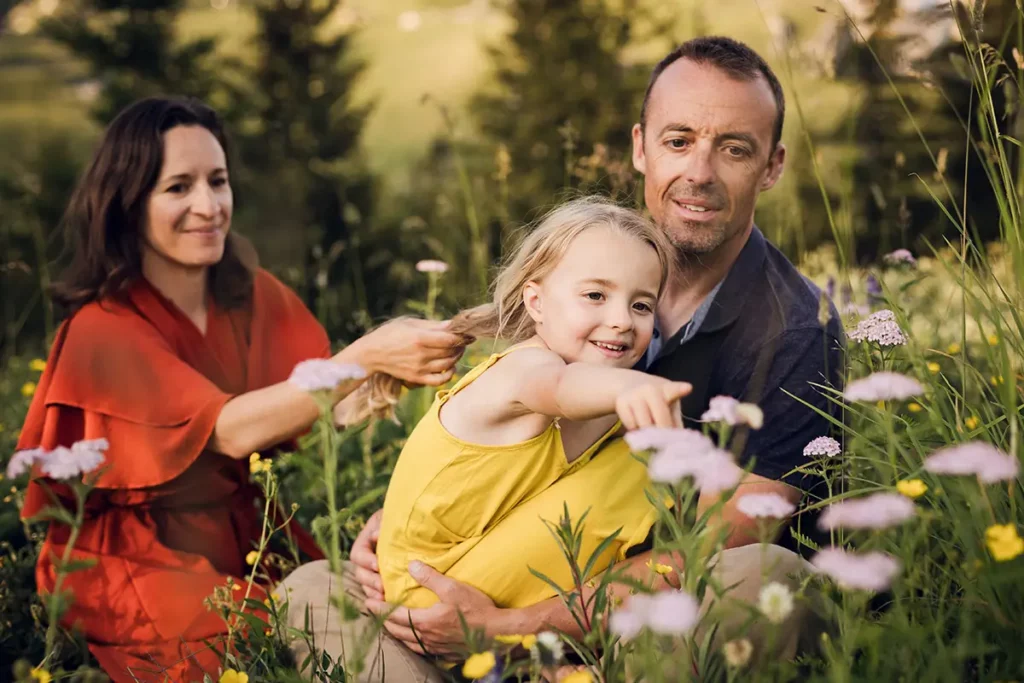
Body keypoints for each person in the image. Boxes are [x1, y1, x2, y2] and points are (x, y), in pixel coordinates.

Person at [277, 35, 844, 681]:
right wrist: (414, 529)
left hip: (636, 616)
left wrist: (513, 627)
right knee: (314, 586)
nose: (700, 172)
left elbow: (729, 539)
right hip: (502, 572)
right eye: (678, 140)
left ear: (772, 166)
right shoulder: (590, 262)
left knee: (768, 579)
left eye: (734, 148)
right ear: (641, 146)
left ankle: (515, 662)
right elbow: (504, 441)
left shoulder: (798, 331)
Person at [13, 97, 466, 683]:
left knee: (367, 612)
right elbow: (227, 430)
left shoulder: (253, 294)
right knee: (261, 649)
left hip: (250, 535)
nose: (208, 206)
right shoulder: (102, 328)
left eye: (217, 181)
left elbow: (324, 405)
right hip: (139, 556)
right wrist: (366, 356)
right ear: (128, 203)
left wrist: (414, 363)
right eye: (178, 187)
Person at [373, 197, 695, 611]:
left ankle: (537, 646)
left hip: (472, 562)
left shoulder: (603, 395)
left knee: (640, 459)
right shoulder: (525, 369)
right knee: (635, 468)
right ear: (536, 301)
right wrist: (628, 387)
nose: (622, 320)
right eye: (595, 295)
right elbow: (561, 386)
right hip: (427, 587)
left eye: (641, 305)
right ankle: (529, 651)